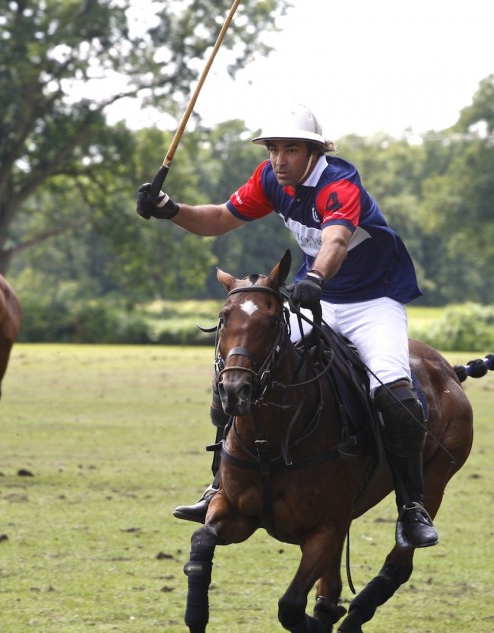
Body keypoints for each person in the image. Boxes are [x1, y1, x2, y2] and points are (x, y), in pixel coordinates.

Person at [136, 104, 437, 549]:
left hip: (372, 301)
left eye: (290, 149)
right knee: (242, 369)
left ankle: (412, 506)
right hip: (315, 295)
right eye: (273, 149)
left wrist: (315, 277)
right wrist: (170, 209)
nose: (279, 159)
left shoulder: (339, 183)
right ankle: (220, 485)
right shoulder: (269, 180)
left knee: (395, 396)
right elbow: (218, 219)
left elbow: (335, 240)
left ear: (315, 152)